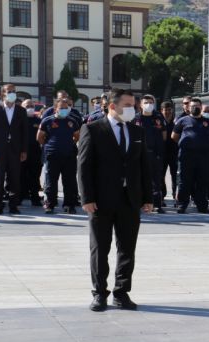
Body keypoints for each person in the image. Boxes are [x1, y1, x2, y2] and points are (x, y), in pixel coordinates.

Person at [78, 88, 153, 312]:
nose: (134, 109)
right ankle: (99, 293)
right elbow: (83, 166)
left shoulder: (137, 131)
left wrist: (147, 198)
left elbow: (144, 167)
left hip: (130, 199)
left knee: (127, 248)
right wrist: (87, 198)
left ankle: (121, 292)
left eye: (134, 105)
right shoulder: (92, 129)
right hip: (101, 200)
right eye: (128, 105)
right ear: (113, 106)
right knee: (100, 248)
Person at [0, 84, 28, 215]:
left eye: (14, 91)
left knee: (14, 178)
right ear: (3, 94)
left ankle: (13, 205)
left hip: (15, 150)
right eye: (9, 91)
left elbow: (24, 132)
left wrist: (24, 150)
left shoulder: (21, 111)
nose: (12, 94)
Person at [172, 98, 209, 214]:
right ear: (188, 108)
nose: (195, 108)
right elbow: (174, 136)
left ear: (201, 107)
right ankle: (182, 204)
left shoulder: (207, 122)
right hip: (186, 156)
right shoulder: (182, 121)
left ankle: (202, 205)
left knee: (202, 181)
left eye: (197, 106)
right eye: (192, 106)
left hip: (203, 156)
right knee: (184, 181)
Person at [37, 98, 81, 214]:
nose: (64, 110)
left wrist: (70, 143)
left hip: (69, 155)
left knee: (69, 181)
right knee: (51, 181)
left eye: (66, 108)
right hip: (52, 155)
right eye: (61, 108)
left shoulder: (73, 121)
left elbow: (77, 135)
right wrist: (48, 146)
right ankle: (50, 204)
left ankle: (69, 205)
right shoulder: (47, 120)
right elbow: (40, 137)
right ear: (55, 108)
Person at [134, 94, 167, 214]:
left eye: (151, 102)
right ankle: (140, 203)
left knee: (156, 180)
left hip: (155, 154)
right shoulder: (135, 118)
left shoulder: (158, 118)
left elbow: (164, 135)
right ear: (141, 105)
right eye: (146, 103)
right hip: (139, 154)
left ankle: (157, 204)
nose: (149, 105)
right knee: (139, 180)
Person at [20, 99, 43, 206]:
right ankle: (19, 197)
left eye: (31, 106)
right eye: (27, 106)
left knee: (34, 176)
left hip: (35, 152)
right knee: (20, 175)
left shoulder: (38, 120)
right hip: (21, 152)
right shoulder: (18, 120)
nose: (30, 108)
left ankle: (35, 198)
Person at [161, 101, 178, 203]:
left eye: (169, 110)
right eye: (165, 110)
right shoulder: (158, 122)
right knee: (160, 176)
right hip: (162, 153)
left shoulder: (176, 122)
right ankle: (161, 197)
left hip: (174, 153)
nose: (167, 112)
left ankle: (176, 197)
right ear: (161, 110)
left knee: (175, 176)